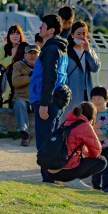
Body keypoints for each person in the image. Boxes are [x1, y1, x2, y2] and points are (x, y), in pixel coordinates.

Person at [28, 15, 69, 180]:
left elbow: (49, 78)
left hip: (47, 101)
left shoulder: (51, 49)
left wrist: (44, 103)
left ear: (51, 30)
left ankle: (49, 177)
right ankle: (52, 175)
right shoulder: (59, 47)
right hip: (55, 101)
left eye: (43, 26)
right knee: (51, 140)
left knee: (45, 143)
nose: (40, 28)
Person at [45, 102, 107, 189]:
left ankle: (63, 179)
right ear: (92, 116)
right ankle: (71, 179)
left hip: (49, 171)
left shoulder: (66, 122)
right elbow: (96, 151)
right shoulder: (85, 125)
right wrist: (86, 155)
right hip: (64, 171)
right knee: (102, 161)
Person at [63, 21, 101, 115]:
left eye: (84, 34)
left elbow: (95, 68)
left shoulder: (89, 51)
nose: (81, 36)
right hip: (71, 92)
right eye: (78, 34)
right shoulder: (67, 51)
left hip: (86, 92)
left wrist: (88, 50)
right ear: (72, 35)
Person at [90, 87, 108, 193]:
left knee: (107, 167)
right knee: (95, 166)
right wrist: (93, 128)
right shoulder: (91, 113)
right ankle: (96, 186)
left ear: (106, 99)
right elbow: (86, 127)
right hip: (93, 144)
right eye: (94, 99)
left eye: (99, 98)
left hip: (107, 144)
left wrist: (102, 131)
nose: (96, 101)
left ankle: (107, 187)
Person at [11, 45, 38, 145]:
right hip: (22, 97)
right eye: (30, 53)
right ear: (25, 55)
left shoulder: (42, 66)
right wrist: (30, 77)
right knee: (19, 104)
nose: (32, 56)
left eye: (35, 54)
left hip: (37, 98)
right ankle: (24, 134)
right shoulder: (18, 65)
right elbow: (16, 82)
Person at [0, 24, 25, 105]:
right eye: (12, 33)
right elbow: (1, 63)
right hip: (6, 79)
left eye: (17, 34)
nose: (15, 36)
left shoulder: (25, 49)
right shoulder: (3, 49)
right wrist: (13, 56)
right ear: (8, 35)